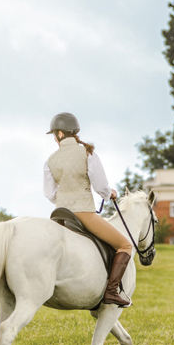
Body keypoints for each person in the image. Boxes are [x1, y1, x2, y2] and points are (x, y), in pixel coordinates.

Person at [43, 112, 133, 307]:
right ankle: (111, 292)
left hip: (59, 215)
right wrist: (110, 194)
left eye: (54, 135)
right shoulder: (88, 152)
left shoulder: (50, 160)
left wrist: (66, 196)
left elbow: (50, 194)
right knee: (125, 245)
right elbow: (100, 186)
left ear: (59, 134)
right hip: (83, 213)